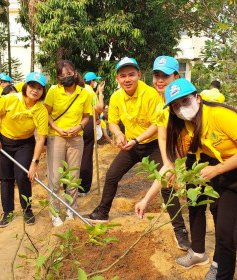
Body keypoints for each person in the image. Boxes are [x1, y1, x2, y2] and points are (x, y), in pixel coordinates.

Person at [135, 78, 237, 280]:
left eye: (185, 101)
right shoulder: (185, 128)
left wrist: (217, 169)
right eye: (175, 106)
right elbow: (169, 166)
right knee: (225, 236)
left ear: (197, 98)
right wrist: (146, 199)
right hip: (230, 175)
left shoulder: (219, 115)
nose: (181, 108)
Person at [82, 57, 190, 251]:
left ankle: (179, 230)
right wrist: (118, 133)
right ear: (117, 78)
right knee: (112, 174)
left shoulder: (151, 94)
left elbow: (158, 127)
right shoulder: (116, 97)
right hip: (132, 145)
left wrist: (137, 139)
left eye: (131, 74)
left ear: (139, 75)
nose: (127, 79)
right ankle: (102, 212)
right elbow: (112, 121)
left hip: (153, 145)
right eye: (123, 76)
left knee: (166, 183)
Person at [152, 56, 222, 275]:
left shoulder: (190, 98)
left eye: (166, 76)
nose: (160, 80)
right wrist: (168, 163)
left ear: (176, 76)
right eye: (157, 75)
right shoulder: (161, 105)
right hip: (191, 158)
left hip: (212, 157)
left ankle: (220, 262)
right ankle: (198, 253)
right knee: (194, 205)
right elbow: (163, 138)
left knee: (219, 209)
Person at [0, 72, 48, 227]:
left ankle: (27, 210)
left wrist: (34, 163)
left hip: (25, 144)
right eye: (32, 86)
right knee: (6, 178)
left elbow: (40, 138)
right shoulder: (10, 99)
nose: (35, 90)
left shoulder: (41, 110)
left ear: (43, 91)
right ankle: (7, 212)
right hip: (4, 141)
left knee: (23, 176)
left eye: (39, 88)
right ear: (26, 86)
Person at [45, 60, 91, 227]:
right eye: (62, 75)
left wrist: (78, 126)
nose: (66, 78)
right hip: (56, 138)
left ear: (75, 73)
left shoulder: (84, 93)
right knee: (55, 177)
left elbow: (86, 116)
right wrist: (57, 128)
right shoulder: (53, 92)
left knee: (73, 176)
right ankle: (54, 213)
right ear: (58, 77)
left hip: (76, 139)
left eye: (69, 74)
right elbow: (47, 114)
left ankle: (70, 209)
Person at [79, 72, 105, 196]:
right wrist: (100, 93)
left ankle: (69, 185)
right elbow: (99, 108)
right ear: (92, 81)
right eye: (95, 81)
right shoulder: (90, 91)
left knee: (73, 154)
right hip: (87, 122)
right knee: (86, 154)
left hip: (75, 122)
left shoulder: (78, 89)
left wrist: (97, 118)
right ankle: (83, 187)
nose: (95, 83)